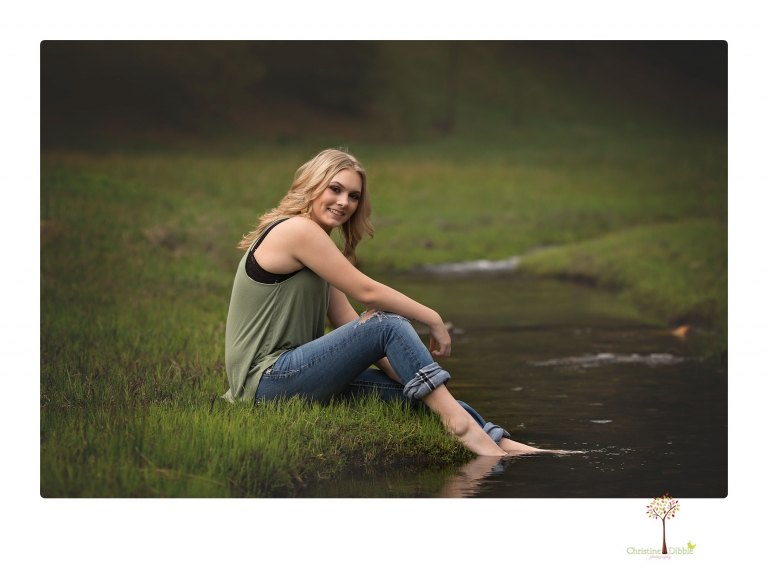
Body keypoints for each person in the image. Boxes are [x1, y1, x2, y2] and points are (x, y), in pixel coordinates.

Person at [223, 148, 551, 456]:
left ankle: (501, 442)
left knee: (423, 396)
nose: (344, 202)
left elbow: (349, 323)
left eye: (354, 196)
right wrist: (432, 317)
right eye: (335, 189)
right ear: (313, 185)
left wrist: (408, 372)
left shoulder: (317, 246)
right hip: (268, 383)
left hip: (291, 381)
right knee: (385, 321)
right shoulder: (298, 230)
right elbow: (367, 295)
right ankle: (463, 429)